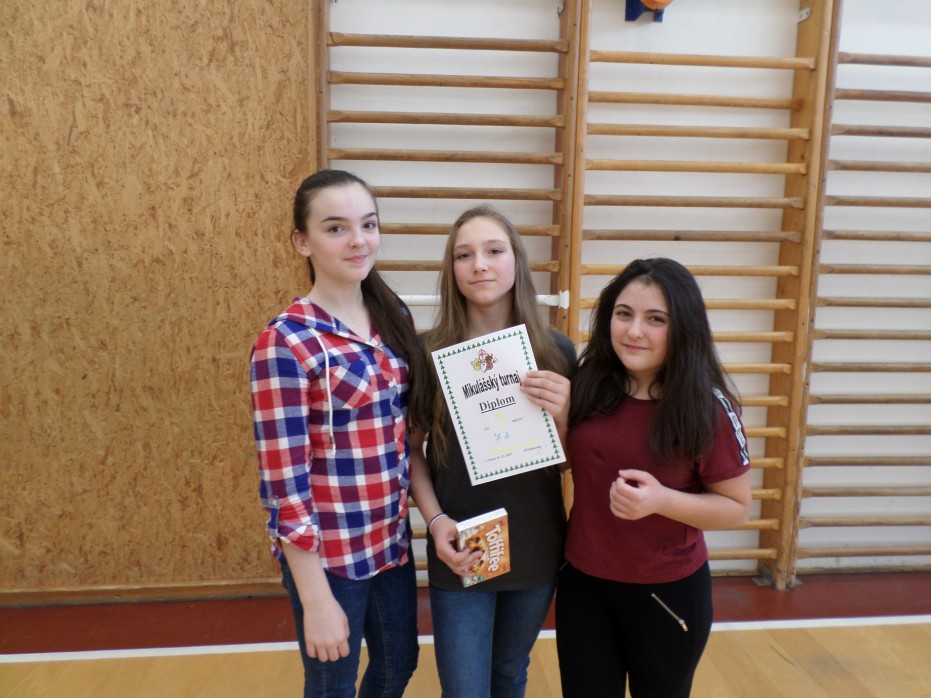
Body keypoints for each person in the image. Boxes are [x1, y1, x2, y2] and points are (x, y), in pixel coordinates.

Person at [249, 169, 428, 698]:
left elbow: (404, 437)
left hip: (390, 543)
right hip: (328, 558)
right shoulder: (285, 342)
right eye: (335, 228)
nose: (358, 240)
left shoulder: (392, 317)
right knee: (332, 686)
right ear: (302, 242)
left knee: (399, 666)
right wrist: (316, 599)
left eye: (368, 225)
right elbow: (284, 485)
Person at [555, 257, 752, 698]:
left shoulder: (709, 407)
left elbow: (737, 508)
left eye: (655, 319)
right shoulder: (589, 383)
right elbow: (570, 463)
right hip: (583, 586)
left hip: (667, 594)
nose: (634, 331)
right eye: (624, 314)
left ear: (683, 328)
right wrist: (560, 422)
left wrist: (662, 500)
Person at [409, 204, 576, 698]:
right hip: (460, 546)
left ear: (516, 262)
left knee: (509, 673)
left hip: (535, 542)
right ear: (452, 269)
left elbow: (573, 462)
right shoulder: (426, 352)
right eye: (464, 255)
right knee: (464, 690)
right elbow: (410, 451)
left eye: (494, 251)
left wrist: (565, 416)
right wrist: (436, 521)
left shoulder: (557, 351)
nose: (479, 265)